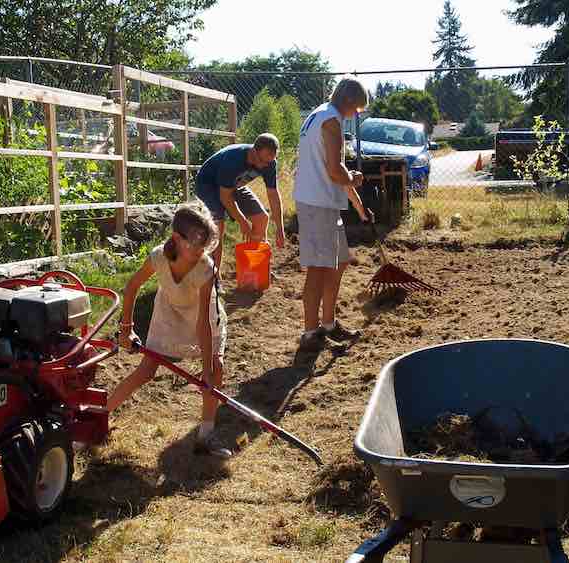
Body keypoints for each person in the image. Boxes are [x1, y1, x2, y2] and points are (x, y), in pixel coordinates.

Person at [109, 203, 231, 458]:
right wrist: (126, 329)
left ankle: (205, 436)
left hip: (204, 316)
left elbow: (203, 324)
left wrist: (207, 372)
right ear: (176, 238)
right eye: (194, 246)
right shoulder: (158, 257)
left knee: (217, 369)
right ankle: (98, 418)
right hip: (169, 313)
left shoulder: (205, 268)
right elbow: (131, 287)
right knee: (145, 371)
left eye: (204, 246)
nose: (200, 252)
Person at [293, 76, 372, 352]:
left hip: (323, 203)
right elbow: (335, 171)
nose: (356, 115)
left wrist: (360, 207)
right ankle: (310, 333)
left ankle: (328, 323)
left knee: (338, 262)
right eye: (358, 109)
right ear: (349, 101)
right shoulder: (331, 120)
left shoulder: (319, 115)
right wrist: (353, 178)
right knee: (317, 269)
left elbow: (336, 173)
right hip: (317, 205)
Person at [195, 133, 285, 270]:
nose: (264, 166)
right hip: (208, 185)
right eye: (262, 161)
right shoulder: (234, 159)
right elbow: (225, 197)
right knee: (217, 226)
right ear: (254, 151)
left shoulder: (269, 163)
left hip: (235, 185)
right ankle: (214, 275)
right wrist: (242, 222)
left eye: (269, 162)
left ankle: (254, 268)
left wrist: (280, 228)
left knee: (261, 218)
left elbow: (273, 194)